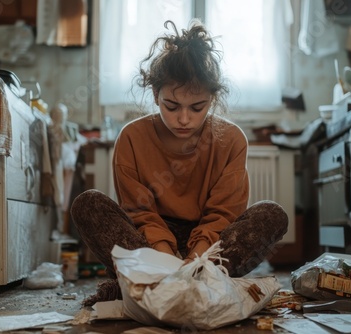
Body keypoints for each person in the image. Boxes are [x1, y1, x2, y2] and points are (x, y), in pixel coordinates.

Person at [70, 19, 288, 306]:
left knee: (272, 215)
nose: (184, 119)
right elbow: (141, 213)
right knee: (88, 204)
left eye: (197, 108)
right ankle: (188, 285)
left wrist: (194, 259)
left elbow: (222, 214)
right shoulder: (132, 137)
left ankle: (149, 286)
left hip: (209, 247)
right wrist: (165, 258)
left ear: (211, 100)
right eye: (171, 106)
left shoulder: (232, 140)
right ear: (155, 95)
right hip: (151, 243)